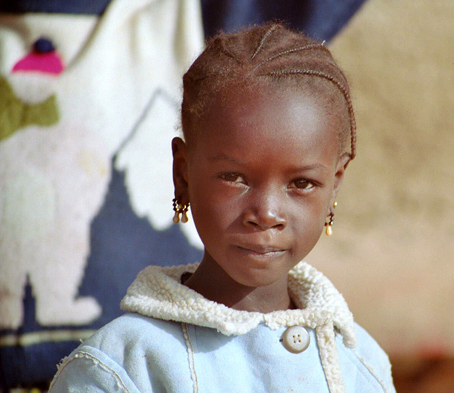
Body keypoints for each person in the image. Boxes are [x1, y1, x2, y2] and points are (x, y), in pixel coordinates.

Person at [49, 22, 395, 393]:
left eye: (301, 184)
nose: (266, 212)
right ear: (182, 174)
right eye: (234, 177)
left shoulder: (360, 363)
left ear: (336, 182)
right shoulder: (122, 369)